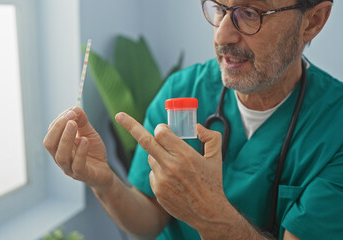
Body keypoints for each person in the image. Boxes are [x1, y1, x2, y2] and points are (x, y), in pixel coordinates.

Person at [44, 0, 343, 239]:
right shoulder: (182, 92)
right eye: (219, 9)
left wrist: (211, 213)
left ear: (313, 21)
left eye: (251, 13)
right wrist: (105, 183)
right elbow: (148, 217)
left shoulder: (335, 126)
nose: (221, 35)